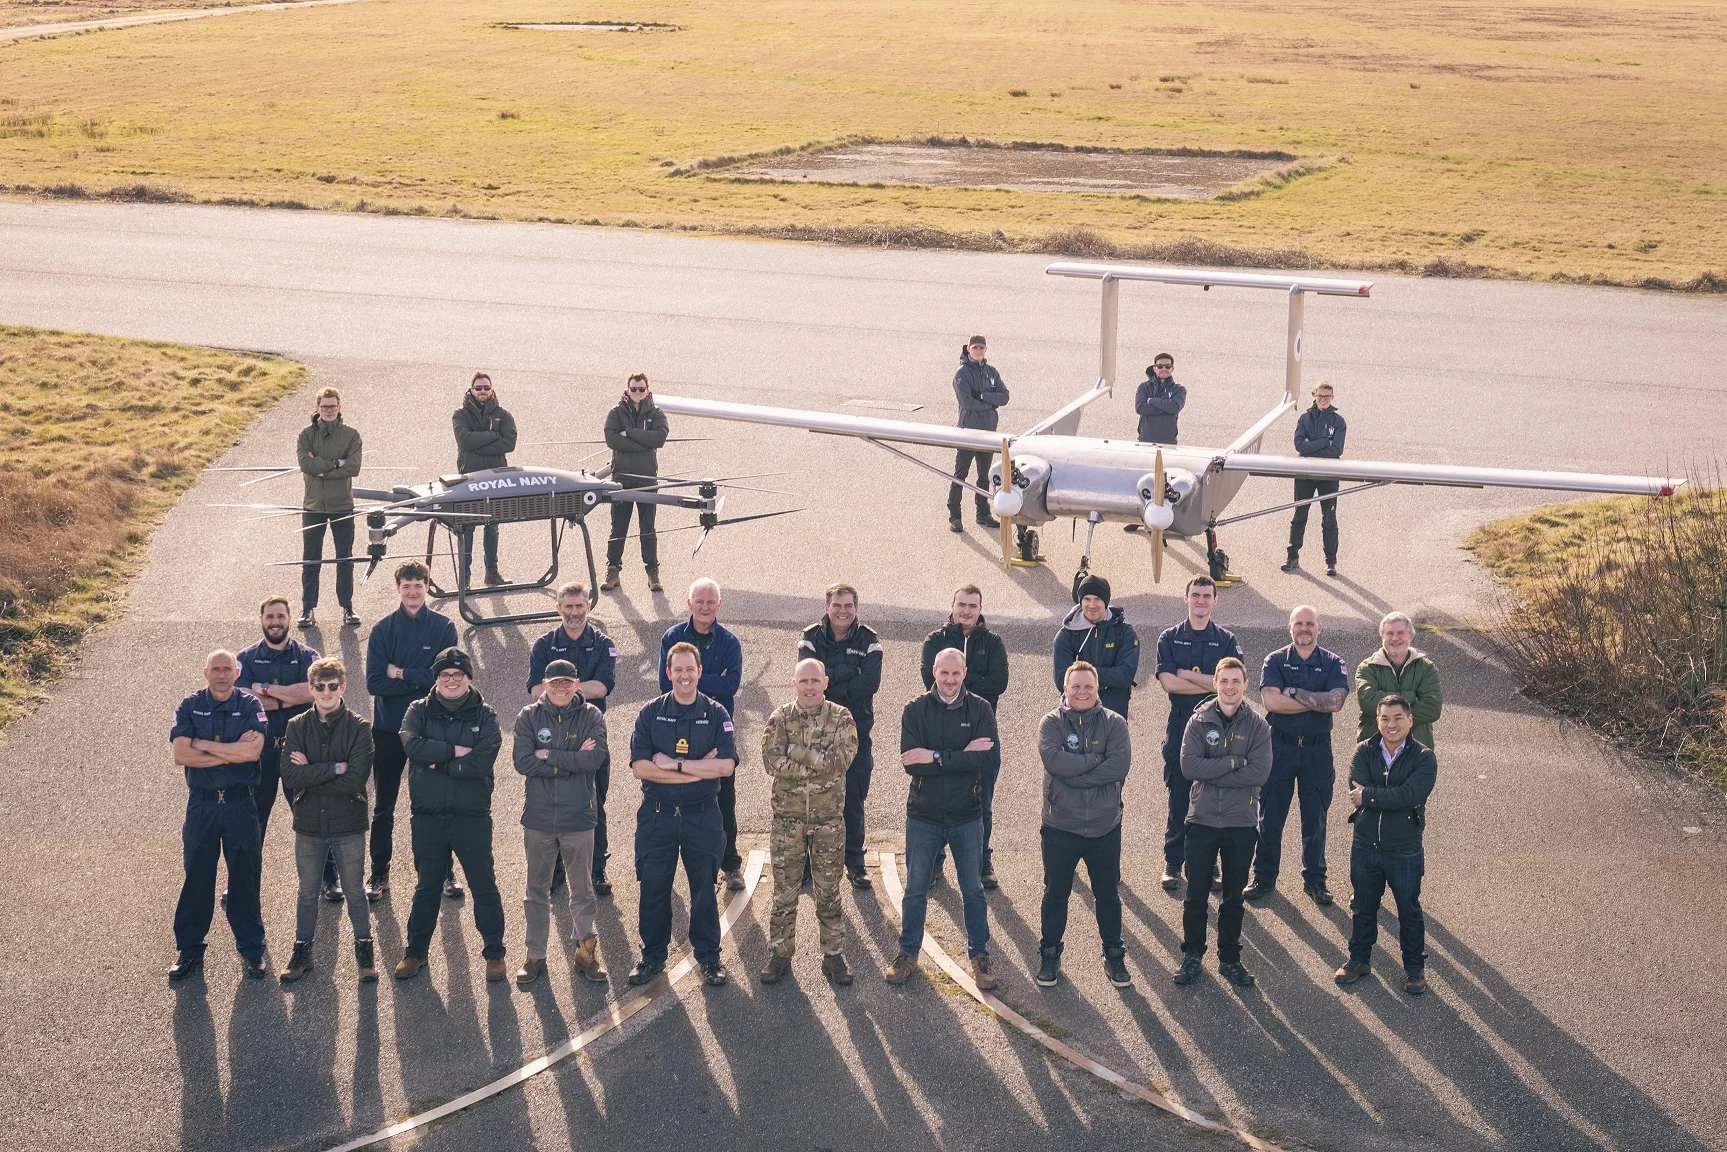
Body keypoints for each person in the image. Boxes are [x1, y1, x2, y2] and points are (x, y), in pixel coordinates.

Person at [888, 648, 1001, 991]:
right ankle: (907, 954)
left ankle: (979, 956)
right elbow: (911, 762)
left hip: (967, 816)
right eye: (944, 673)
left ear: (964, 672)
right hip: (924, 815)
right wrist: (961, 755)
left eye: (956, 674)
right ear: (933, 672)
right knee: (915, 890)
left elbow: (985, 760)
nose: (950, 680)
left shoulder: (981, 709)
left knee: (973, 891)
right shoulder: (915, 710)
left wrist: (935, 755)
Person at [628, 641, 738, 988]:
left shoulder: (717, 713)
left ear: (699, 672)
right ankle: (651, 957)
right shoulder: (649, 712)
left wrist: (675, 765)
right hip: (657, 816)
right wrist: (698, 768)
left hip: (701, 815)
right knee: (654, 889)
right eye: (679, 670)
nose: (685, 675)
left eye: (691, 669)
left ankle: (709, 957)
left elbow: (725, 766)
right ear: (668, 672)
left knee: (704, 890)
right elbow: (641, 768)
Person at [394, 647, 507, 982]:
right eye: (445, 674)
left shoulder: (485, 716)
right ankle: (415, 953)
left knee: (483, 886)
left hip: (470, 817)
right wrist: (455, 753)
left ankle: (494, 953)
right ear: (436, 678)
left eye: (458, 674)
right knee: (427, 887)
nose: (451, 680)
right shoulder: (418, 710)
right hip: (427, 818)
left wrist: (437, 762)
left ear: (469, 678)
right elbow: (411, 746)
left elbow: (481, 762)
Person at [168, 650, 269, 981]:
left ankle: (252, 950)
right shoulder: (189, 705)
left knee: (245, 877)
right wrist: (231, 754)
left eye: (227, 669)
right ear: (205, 672)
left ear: (236, 673)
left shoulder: (251, 705)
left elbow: (253, 752)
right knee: (197, 876)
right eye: (216, 669)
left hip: (241, 804)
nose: (222, 674)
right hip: (202, 805)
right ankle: (190, 949)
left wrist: (206, 746)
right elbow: (182, 755)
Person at [759, 658, 860, 986]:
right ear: (794, 683)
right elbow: (771, 761)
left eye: (815, 680)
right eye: (803, 681)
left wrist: (799, 754)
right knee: (784, 893)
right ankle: (779, 955)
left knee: (828, 891)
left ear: (825, 682)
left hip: (827, 821)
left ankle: (833, 957)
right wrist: (815, 763)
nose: (810, 686)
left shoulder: (841, 717)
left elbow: (842, 760)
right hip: (787, 822)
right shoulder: (780, 717)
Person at [1174, 657, 1272, 988]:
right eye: (1224, 681)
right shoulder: (1198, 722)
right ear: (1214, 684)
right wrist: (1233, 762)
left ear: (1245, 685)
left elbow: (1259, 773)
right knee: (1196, 895)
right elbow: (1189, 767)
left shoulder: (1259, 725)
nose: (1229, 687)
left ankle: (1230, 959)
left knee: (1233, 897)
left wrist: (1213, 768)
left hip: (1241, 823)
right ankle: (1192, 956)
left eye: (1236, 681)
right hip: (1201, 819)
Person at [364, 561, 458, 903]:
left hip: (431, 729)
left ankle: (443, 873)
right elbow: (374, 682)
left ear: (427, 586)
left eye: (418, 584)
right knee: (383, 807)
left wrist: (400, 673)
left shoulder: (445, 627)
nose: (413, 591)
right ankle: (378, 873)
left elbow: (448, 678)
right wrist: (422, 675)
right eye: (407, 585)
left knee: (435, 805)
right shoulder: (382, 630)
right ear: (398, 588)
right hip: (388, 729)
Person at [278, 658, 376, 984]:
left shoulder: (360, 728)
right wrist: (335, 767)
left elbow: (356, 779)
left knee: (354, 891)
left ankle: (364, 953)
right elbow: (291, 776)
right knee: (307, 891)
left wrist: (312, 771)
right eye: (319, 686)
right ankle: (302, 953)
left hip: (349, 823)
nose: (326, 692)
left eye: (332, 686)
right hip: (308, 823)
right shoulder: (295, 726)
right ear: (311, 689)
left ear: (343, 687)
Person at [1035, 662, 1133, 989]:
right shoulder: (1050, 723)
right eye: (1075, 686)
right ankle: (1050, 953)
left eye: (1087, 686)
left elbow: (1118, 766)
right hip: (1060, 826)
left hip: (1105, 827)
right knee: (1056, 894)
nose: (1081, 692)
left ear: (1097, 688)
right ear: (1065, 689)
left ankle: (1113, 953)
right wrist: (1096, 761)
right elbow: (1055, 762)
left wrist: (1076, 770)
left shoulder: (1115, 724)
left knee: (1107, 895)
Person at [512, 660, 609, 987]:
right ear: (545, 684)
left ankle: (585, 953)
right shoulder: (528, 716)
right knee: (535, 891)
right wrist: (570, 756)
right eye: (555, 683)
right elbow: (523, 761)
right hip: (538, 819)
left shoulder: (593, 716)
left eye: (567, 682)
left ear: (577, 683)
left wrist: (548, 754)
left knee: (581, 890)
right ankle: (534, 955)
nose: (562, 688)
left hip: (578, 817)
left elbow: (594, 759)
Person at [1246, 605, 1349, 905]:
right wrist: (1315, 700)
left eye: (1310, 624)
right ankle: (1263, 877)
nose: (1304, 629)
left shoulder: (1333, 662)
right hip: (1279, 746)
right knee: (1270, 816)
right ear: (1289, 627)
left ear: (1320, 627)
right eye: (1298, 624)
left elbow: (1336, 702)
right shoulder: (1275, 660)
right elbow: (1271, 703)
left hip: (1317, 749)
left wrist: (1292, 692)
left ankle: (1315, 881)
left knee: (1315, 817)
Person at [1335, 695, 1437, 996]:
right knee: (1363, 907)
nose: (1391, 725)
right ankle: (1359, 960)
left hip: (1404, 848)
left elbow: (1410, 795)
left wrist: (1371, 797)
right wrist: (1379, 795)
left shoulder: (1424, 757)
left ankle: (1415, 969)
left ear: (1410, 720)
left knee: (1409, 909)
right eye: (1384, 719)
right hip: (1365, 845)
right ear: (1377, 721)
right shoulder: (1363, 751)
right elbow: (1356, 786)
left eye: (1397, 718)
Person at [527, 581, 619, 895]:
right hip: (551, 736)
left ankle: (596, 870)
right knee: (552, 802)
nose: (574, 613)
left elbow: (603, 688)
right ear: (559, 609)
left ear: (588, 607)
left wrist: (561, 688)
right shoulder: (543, 644)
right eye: (568, 607)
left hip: (591, 734)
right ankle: (554, 871)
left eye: (580, 606)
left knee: (593, 803)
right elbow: (535, 691)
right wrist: (580, 687)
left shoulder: (603, 644)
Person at [1154, 575, 1244, 891]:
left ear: (1215, 600)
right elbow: (1168, 683)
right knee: (1180, 797)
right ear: (1186, 598)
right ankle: (1173, 864)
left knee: (1213, 799)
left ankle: (1208, 865)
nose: (1201, 601)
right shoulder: (1168, 637)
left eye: (1207, 596)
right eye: (1196, 595)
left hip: (1216, 726)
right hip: (1180, 724)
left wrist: (1186, 675)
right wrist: (1213, 681)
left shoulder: (1227, 641)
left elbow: (1233, 686)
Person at [921, 583, 1010, 888]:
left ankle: (982, 863)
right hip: (940, 737)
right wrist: (975, 679)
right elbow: (927, 679)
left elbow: (999, 682)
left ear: (980, 609)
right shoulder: (935, 640)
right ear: (952, 606)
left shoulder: (994, 643)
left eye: (973, 606)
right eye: (962, 605)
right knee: (937, 801)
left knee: (981, 803)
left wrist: (957, 677)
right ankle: (935, 863)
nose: (967, 611)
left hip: (983, 737)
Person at [659, 578, 746, 891]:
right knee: (675, 798)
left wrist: (690, 680)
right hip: (678, 732)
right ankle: (672, 865)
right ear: (689, 603)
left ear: (719, 605)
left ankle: (731, 863)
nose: (705, 607)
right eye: (700, 602)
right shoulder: (671, 638)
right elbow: (663, 683)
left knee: (724, 801)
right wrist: (711, 679)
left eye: (711, 602)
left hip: (717, 735)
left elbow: (731, 685)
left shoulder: (730, 642)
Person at [797, 583, 883, 889]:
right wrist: (846, 681)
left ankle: (855, 862)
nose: (842, 611)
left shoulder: (870, 641)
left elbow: (870, 683)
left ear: (856, 609)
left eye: (848, 606)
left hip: (855, 732)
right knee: (812, 798)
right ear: (827, 608)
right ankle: (807, 863)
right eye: (837, 605)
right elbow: (807, 680)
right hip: (815, 732)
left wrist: (827, 687)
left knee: (854, 800)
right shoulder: (809, 638)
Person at [235, 596, 322, 893]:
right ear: (261, 620)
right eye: (270, 616)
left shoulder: (309, 655)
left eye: (281, 616)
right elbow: (243, 700)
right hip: (260, 752)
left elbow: (312, 692)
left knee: (310, 816)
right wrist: (287, 696)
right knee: (253, 819)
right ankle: (243, 881)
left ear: (289, 619)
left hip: (299, 750)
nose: (275, 622)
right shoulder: (244, 658)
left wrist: (266, 690)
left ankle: (328, 879)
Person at [296, 386, 362, 629]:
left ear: (339, 407)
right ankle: (307, 608)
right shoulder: (305, 435)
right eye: (324, 406)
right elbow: (305, 464)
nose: (329, 410)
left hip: (342, 506)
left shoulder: (352, 435)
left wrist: (321, 467)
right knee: (311, 559)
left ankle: (347, 606)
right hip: (313, 506)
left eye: (333, 406)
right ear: (317, 408)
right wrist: (336, 463)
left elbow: (353, 468)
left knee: (345, 558)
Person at [602, 372, 669, 592]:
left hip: (647, 480)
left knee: (647, 528)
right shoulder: (616, 412)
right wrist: (643, 442)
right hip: (621, 480)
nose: (637, 393)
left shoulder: (657, 413)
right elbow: (612, 439)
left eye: (641, 389)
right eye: (633, 389)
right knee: (618, 528)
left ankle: (652, 572)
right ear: (627, 390)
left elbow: (659, 438)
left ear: (647, 390)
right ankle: (613, 570)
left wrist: (629, 433)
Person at [452, 371, 518, 587]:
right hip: (469, 478)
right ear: (471, 390)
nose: (482, 391)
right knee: (467, 526)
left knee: (492, 525)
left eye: (485, 388)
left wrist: (478, 443)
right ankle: (465, 577)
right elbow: (464, 440)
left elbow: (509, 443)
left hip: (496, 478)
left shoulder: (503, 415)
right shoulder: (460, 414)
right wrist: (492, 436)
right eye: (478, 388)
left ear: (492, 390)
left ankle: (492, 573)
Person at [1052, 573, 1140, 717]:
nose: (1091, 605)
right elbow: (1061, 679)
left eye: (1097, 599)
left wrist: (1082, 677)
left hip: (1113, 715)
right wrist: (1105, 676)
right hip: (1076, 714)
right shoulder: (1066, 635)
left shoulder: (1125, 633)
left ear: (1106, 602)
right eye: (1087, 599)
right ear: (1080, 601)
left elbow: (1125, 675)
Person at [1282, 381, 1347, 577]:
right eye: (1320, 396)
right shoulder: (1304, 418)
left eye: (1327, 396)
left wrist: (1314, 445)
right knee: (1299, 516)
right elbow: (1300, 446)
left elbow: (1337, 450)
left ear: (1332, 398)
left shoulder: (1339, 422)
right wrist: (1324, 442)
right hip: (1305, 475)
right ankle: (1292, 557)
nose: (1324, 399)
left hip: (1328, 477)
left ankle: (1331, 562)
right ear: (1314, 396)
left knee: (1329, 518)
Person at [948, 335, 1010, 533]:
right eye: (975, 348)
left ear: (986, 349)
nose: (978, 351)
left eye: (981, 348)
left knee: (984, 476)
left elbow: (1005, 396)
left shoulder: (991, 372)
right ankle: (955, 516)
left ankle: (982, 514)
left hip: (988, 434)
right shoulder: (962, 373)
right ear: (968, 349)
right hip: (968, 432)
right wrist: (991, 404)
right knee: (960, 475)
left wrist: (983, 396)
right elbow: (967, 402)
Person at [1355, 612, 1443, 749]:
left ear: (1410, 636)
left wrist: (1387, 714)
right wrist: (1410, 697)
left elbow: (1432, 709)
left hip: (1417, 751)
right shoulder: (1367, 668)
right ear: (1382, 636)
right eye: (1389, 633)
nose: (1395, 638)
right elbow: (1368, 703)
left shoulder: (1427, 668)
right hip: (1374, 751)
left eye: (1400, 632)